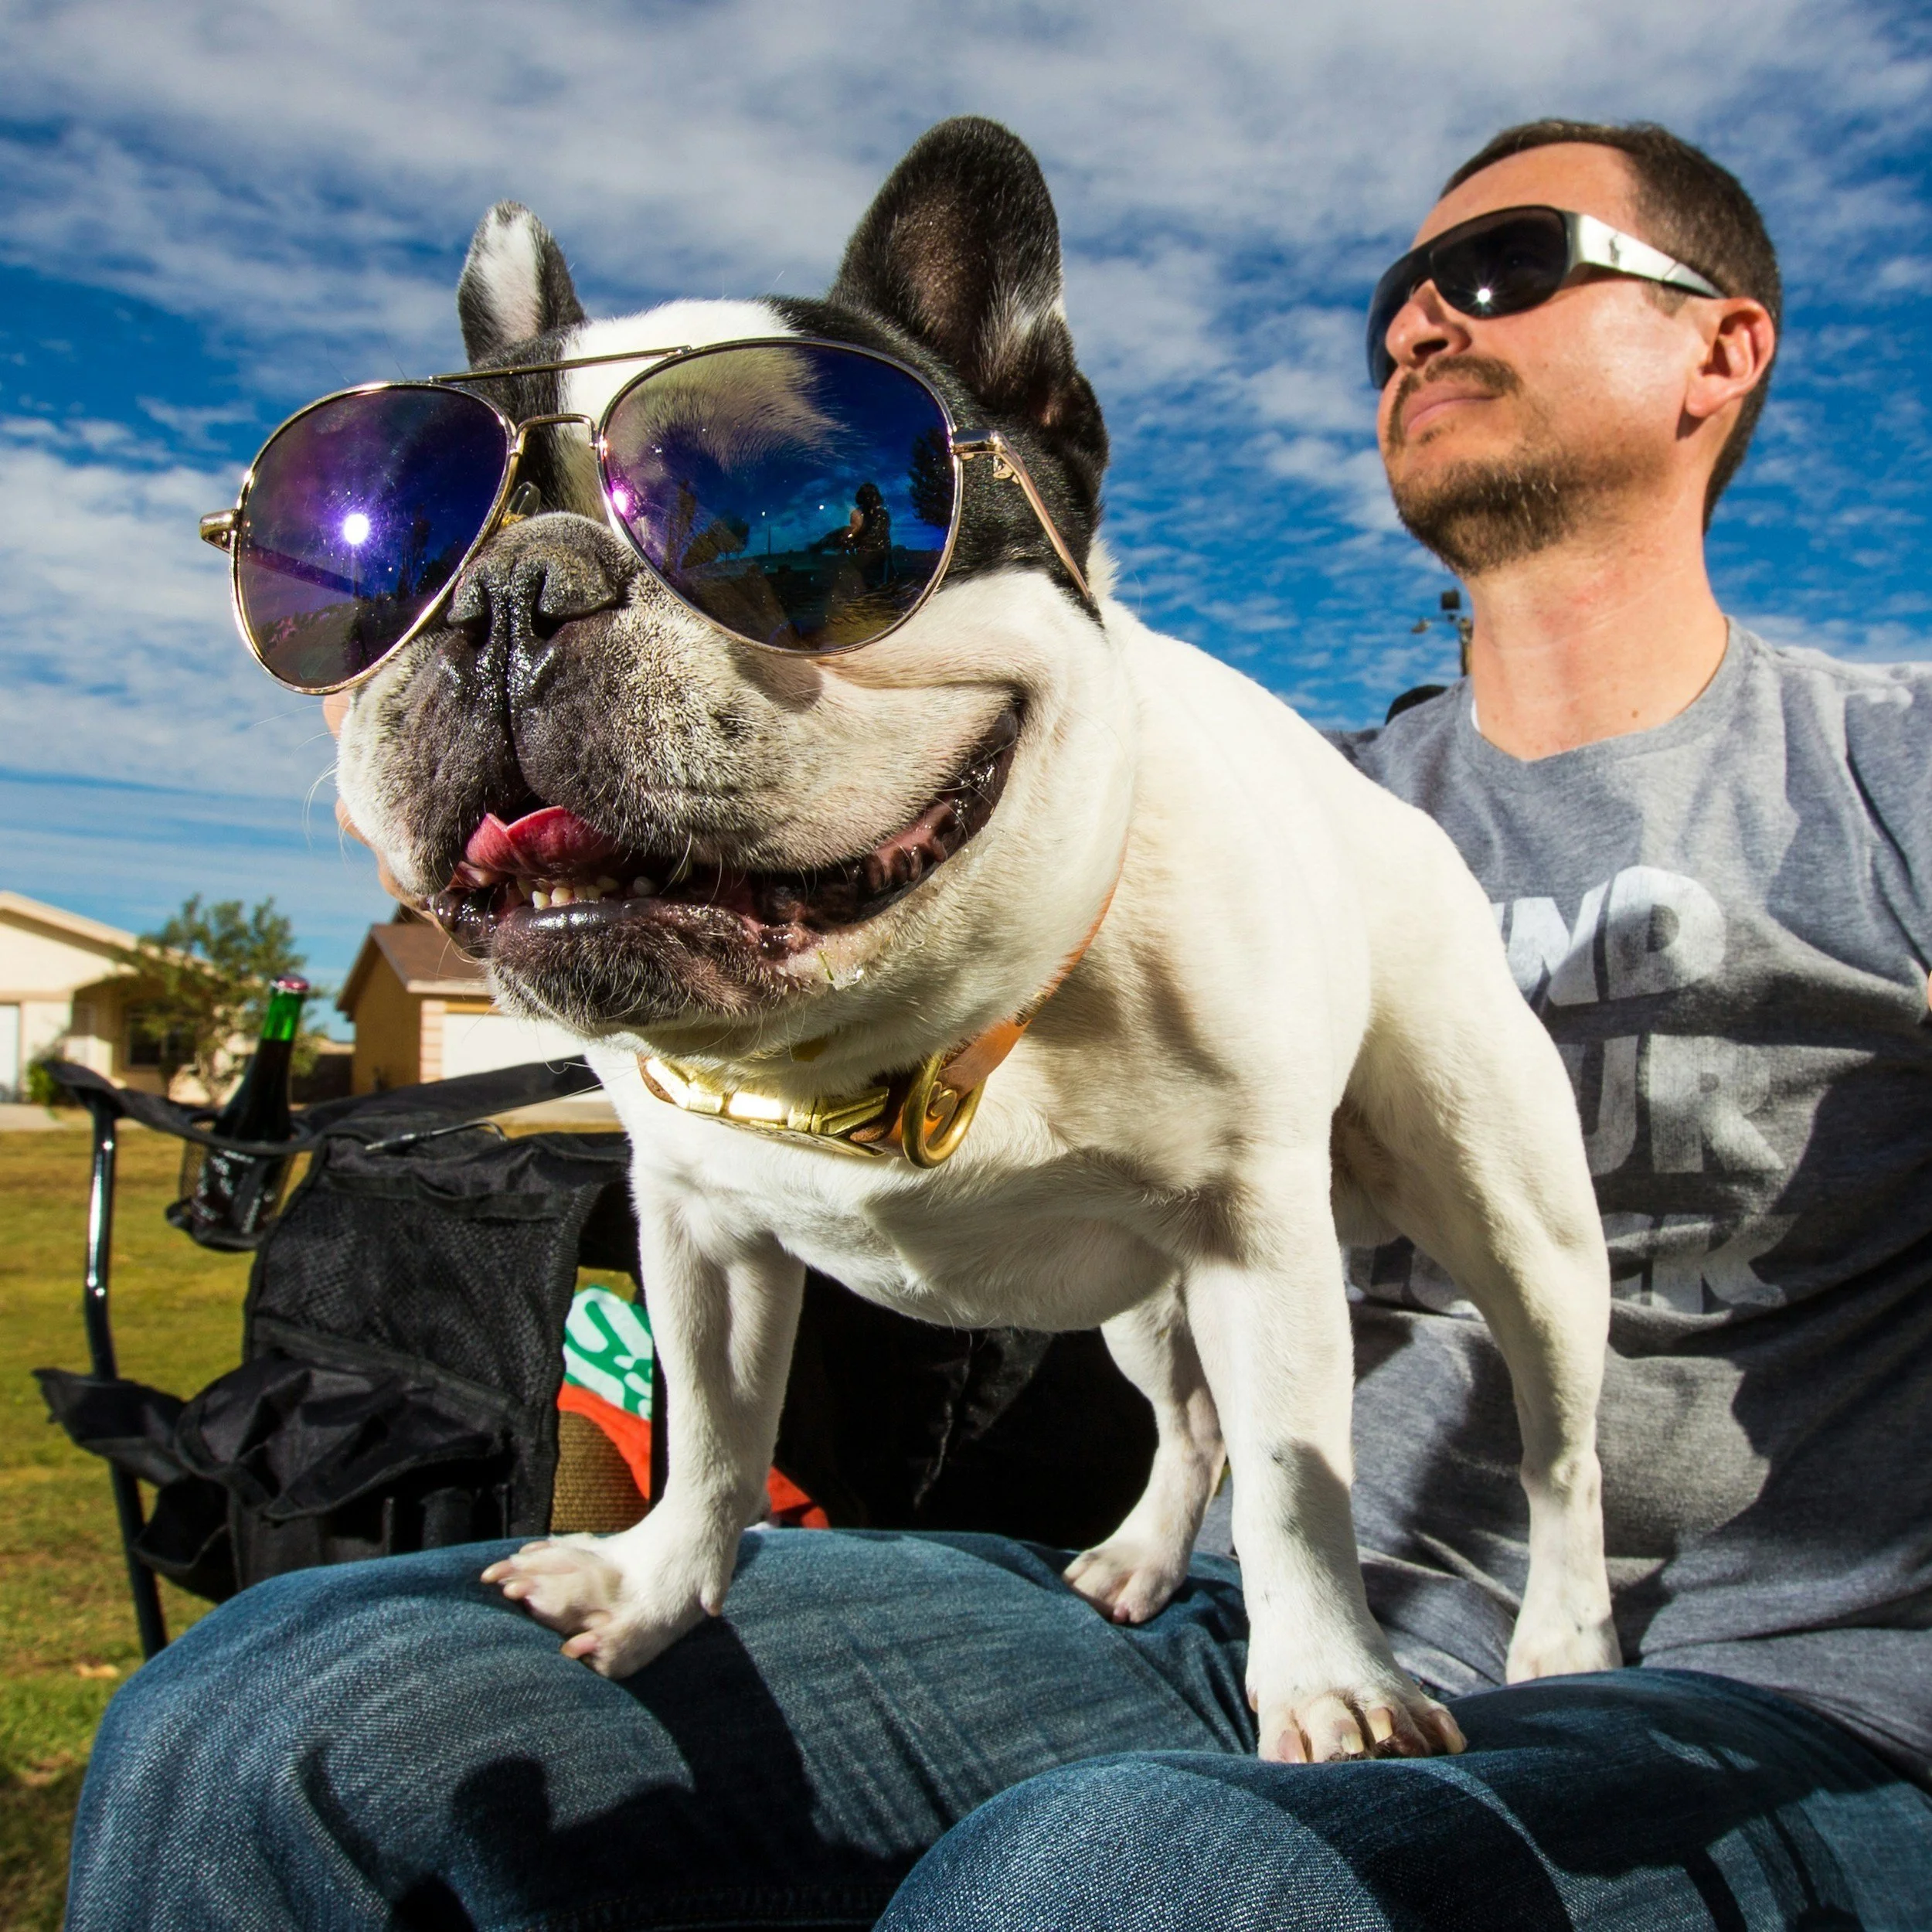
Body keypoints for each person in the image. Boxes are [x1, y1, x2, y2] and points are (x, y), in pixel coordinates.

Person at [66, 119, 1932, 1930]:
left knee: (1137, 1879)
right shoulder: (1214, 796)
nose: (1417, 321)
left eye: (1500, 268)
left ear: (1720, 344)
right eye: (1393, 294)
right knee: (272, 1712)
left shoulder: (1884, 773)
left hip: (1780, 1683)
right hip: (1211, 1616)